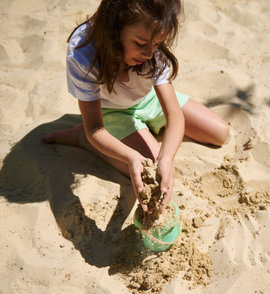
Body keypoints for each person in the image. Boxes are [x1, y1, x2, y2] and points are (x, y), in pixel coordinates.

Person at [43, 0, 229, 213]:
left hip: (148, 97)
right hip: (111, 111)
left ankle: (142, 131)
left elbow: (174, 115)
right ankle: (83, 138)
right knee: (149, 171)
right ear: (114, 28)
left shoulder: (152, 46)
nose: (149, 53)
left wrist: (167, 158)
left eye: (158, 44)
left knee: (220, 133)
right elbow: (96, 129)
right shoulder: (84, 54)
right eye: (141, 44)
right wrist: (131, 156)